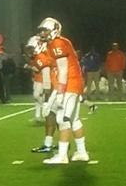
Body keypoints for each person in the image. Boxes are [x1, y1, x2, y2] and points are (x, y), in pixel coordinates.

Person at [37, 18, 89, 164]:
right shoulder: (55, 43)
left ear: (54, 29)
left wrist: (59, 92)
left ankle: (62, 155)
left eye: (45, 30)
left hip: (68, 84)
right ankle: (82, 152)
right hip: (71, 84)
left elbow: (63, 69)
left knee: (62, 119)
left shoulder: (57, 43)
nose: (42, 33)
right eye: (41, 30)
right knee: (74, 120)